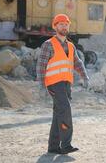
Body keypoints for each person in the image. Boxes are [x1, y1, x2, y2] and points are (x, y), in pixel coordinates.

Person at [36, 14, 89, 154]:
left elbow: (77, 62)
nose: (64, 26)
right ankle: (66, 145)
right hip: (54, 84)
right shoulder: (48, 44)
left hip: (66, 84)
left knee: (58, 113)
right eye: (61, 24)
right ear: (55, 26)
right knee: (65, 110)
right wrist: (41, 85)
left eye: (66, 24)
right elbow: (41, 66)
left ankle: (53, 147)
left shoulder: (71, 46)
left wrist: (85, 77)